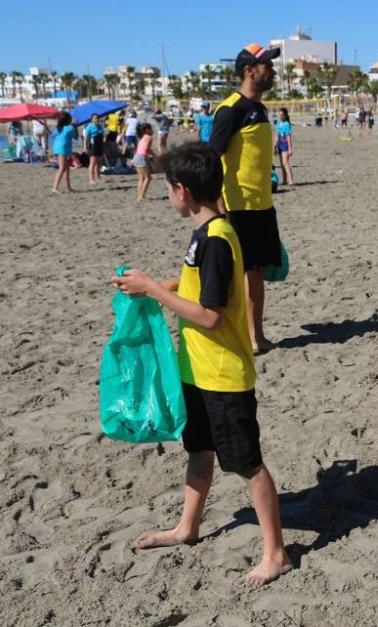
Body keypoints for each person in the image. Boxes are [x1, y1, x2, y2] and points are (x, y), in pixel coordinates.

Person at [111, 142, 292, 586]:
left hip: (223, 375)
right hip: (197, 369)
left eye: (168, 188)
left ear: (183, 191)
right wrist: (164, 283)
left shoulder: (215, 240)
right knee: (199, 451)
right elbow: (202, 284)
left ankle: (276, 552)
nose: (167, 196)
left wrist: (154, 289)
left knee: (247, 463)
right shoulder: (211, 231)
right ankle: (187, 527)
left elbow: (212, 316)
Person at [210, 42, 283, 354]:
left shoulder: (260, 109)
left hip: (262, 205)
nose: (272, 70)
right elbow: (212, 160)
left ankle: (257, 335)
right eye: (266, 65)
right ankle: (242, 335)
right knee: (239, 276)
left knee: (258, 275)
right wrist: (219, 206)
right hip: (238, 207)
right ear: (249, 70)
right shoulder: (231, 110)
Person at [51, 112, 76, 194]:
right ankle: (55, 187)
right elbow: (76, 137)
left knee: (67, 168)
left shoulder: (59, 128)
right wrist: (75, 125)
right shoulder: (70, 128)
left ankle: (68, 187)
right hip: (63, 149)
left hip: (59, 148)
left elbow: (52, 135)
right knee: (62, 168)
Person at [274, 108, 294, 185]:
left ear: (285, 115)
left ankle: (291, 180)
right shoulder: (278, 124)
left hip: (285, 144)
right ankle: (284, 180)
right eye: (279, 115)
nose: (281, 116)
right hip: (279, 144)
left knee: (285, 162)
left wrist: (290, 148)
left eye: (282, 115)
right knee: (282, 163)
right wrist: (274, 146)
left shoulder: (286, 124)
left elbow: (288, 137)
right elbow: (277, 135)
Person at [135, 124, 155, 201]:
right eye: (151, 128)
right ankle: (141, 196)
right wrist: (154, 155)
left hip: (136, 156)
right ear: (147, 130)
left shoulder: (142, 137)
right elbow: (147, 149)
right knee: (148, 178)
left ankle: (140, 195)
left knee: (141, 177)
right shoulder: (149, 137)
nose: (152, 130)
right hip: (142, 157)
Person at [84, 114, 105, 185]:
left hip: (100, 145)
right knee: (92, 163)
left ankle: (98, 177)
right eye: (95, 118)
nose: (97, 119)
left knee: (99, 163)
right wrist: (85, 147)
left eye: (98, 118)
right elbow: (86, 138)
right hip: (93, 146)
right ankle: (91, 179)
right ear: (92, 119)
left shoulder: (100, 126)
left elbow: (103, 135)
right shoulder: (89, 127)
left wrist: (104, 140)